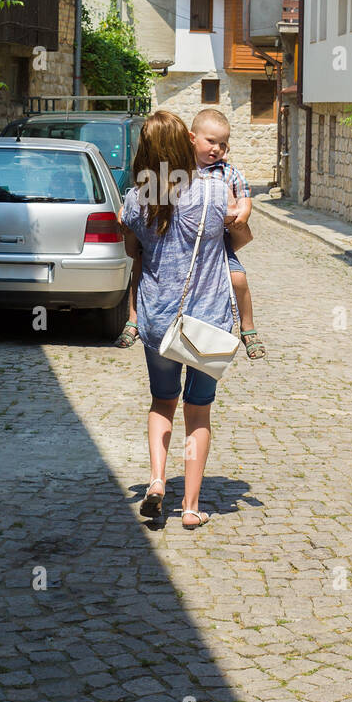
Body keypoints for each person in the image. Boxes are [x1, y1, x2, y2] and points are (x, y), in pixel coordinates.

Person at [119, 110, 236, 529]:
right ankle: (190, 507)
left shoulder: (137, 197)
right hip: (208, 320)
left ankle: (155, 482)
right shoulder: (215, 190)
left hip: (156, 319)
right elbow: (239, 231)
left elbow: (131, 248)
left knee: (162, 402)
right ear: (186, 143)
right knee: (198, 411)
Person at [115, 108, 266, 359]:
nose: (217, 149)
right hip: (204, 310)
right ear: (190, 139)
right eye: (211, 141)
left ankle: (248, 327)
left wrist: (241, 215)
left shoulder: (225, 174)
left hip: (218, 242)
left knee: (237, 278)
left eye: (223, 144)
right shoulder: (186, 174)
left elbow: (243, 201)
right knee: (138, 269)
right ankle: (133, 318)